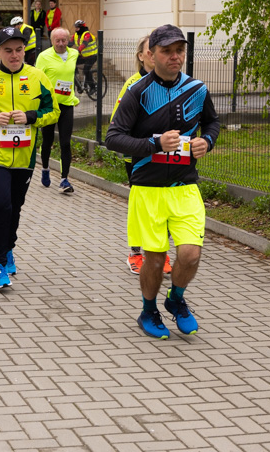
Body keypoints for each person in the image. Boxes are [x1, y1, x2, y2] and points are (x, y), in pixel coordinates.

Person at [106, 24, 220, 339]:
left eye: (179, 50)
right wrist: (155, 144)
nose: (174, 57)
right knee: (155, 260)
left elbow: (212, 122)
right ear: (151, 55)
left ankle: (176, 300)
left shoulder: (197, 88)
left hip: (185, 187)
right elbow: (113, 138)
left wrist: (207, 142)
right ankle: (147, 311)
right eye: (167, 51)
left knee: (190, 254)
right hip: (148, 189)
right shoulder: (137, 92)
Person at [0, 27, 59, 289]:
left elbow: (54, 111)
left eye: (18, 50)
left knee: (15, 207)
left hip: (26, 158)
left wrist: (31, 116)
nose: (14, 55)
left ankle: (8, 249)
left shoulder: (37, 77)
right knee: (2, 204)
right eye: (8, 50)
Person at [111, 35, 160, 275]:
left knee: (159, 206)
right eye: (149, 50)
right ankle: (136, 253)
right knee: (140, 205)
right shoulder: (132, 84)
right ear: (141, 57)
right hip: (138, 157)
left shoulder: (170, 84)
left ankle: (158, 253)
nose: (154, 54)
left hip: (164, 157)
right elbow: (115, 123)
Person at [37, 27, 79, 193]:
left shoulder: (74, 54)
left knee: (65, 143)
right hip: (49, 106)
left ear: (68, 40)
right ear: (52, 41)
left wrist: (74, 97)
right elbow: (37, 79)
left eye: (64, 40)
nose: (61, 44)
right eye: (57, 41)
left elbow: (69, 78)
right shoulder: (44, 56)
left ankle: (64, 179)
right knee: (47, 142)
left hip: (67, 104)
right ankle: (45, 168)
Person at [73, 20, 99, 94]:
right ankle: (78, 83)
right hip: (84, 56)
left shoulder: (87, 35)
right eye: (75, 28)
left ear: (81, 27)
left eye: (77, 28)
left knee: (86, 70)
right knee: (72, 62)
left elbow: (84, 44)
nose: (76, 29)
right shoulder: (76, 35)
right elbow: (70, 43)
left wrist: (78, 50)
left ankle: (92, 87)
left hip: (92, 56)